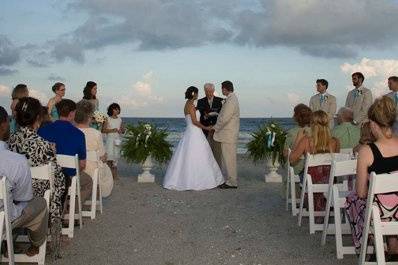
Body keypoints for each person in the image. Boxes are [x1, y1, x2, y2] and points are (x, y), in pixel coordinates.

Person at [8, 97, 65, 256]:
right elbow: (56, 176)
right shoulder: (43, 144)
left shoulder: (10, 141)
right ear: (38, 119)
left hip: (12, 192)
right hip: (34, 194)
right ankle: (39, 241)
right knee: (59, 184)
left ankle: (10, 242)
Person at [346, 96, 398, 256]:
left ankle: (376, 245)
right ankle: (393, 246)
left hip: (381, 213)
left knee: (353, 200)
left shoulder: (367, 151)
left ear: (374, 124)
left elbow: (361, 192)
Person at [0, 105, 48, 257]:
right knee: (40, 203)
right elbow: (23, 198)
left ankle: (8, 245)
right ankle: (36, 243)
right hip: (2, 221)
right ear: (3, 125)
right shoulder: (15, 161)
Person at [163, 86, 224, 191]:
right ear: (193, 94)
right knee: (200, 154)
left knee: (189, 155)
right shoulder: (191, 105)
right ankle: (199, 180)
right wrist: (207, 128)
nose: (198, 95)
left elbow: (192, 117)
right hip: (195, 132)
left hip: (190, 132)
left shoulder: (188, 105)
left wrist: (204, 114)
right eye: (197, 93)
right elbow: (195, 122)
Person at [38, 99, 93, 207]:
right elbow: (82, 164)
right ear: (72, 113)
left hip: (46, 173)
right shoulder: (78, 134)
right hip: (69, 175)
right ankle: (72, 208)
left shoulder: (42, 130)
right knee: (88, 182)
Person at [289, 110, 340, 220]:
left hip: (312, 182)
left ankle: (316, 206)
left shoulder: (306, 141)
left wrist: (298, 138)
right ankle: (325, 205)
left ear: (312, 125)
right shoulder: (335, 142)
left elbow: (291, 160)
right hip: (330, 181)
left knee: (308, 174)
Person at [75, 100, 113, 197]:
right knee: (106, 166)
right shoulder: (96, 133)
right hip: (92, 172)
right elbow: (102, 157)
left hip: (74, 170)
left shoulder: (71, 132)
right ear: (90, 117)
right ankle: (95, 192)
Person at [213, 81, 240, 189]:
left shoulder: (231, 100)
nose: (221, 90)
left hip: (228, 134)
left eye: (222, 88)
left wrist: (215, 127)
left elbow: (225, 118)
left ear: (225, 88)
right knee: (228, 159)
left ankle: (231, 182)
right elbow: (224, 116)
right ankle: (230, 180)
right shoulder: (231, 99)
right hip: (228, 134)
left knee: (229, 159)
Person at [197, 83, 223, 167]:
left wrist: (215, 126)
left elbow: (223, 115)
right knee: (205, 153)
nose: (209, 93)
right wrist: (205, 116)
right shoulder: (200, 101)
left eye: (211, 91)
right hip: (205, 131)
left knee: (217, 154)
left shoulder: (220, 100)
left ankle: (218, 174)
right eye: (207, 91)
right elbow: (200, 115)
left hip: (217, 131)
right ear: (204, 91)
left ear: (214, 91)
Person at [284, 104, 313, 176]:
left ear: (296, 117)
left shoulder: (292, 132)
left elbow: (285, 154)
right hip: (313, 167)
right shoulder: (316, 131)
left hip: (297, 169)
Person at [102, 103, 124, 180]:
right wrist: (112, 130)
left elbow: (123, 130)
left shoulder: (120, 119)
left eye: (118, 109)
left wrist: (122, 130)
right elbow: (103, 130)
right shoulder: (107, 119)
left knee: (116, 158)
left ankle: (114, 175)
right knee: (109, 158)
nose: (117, 110)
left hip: (117, 140)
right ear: (111, 110)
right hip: (110, 140)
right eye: (115, 109)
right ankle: (108, 176)